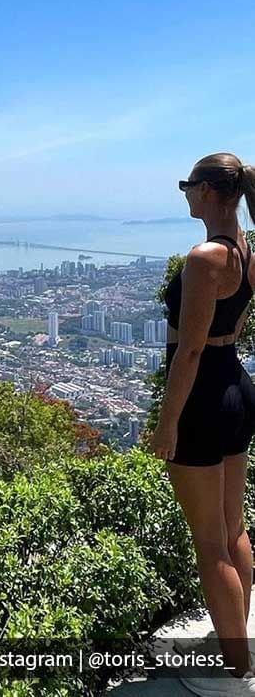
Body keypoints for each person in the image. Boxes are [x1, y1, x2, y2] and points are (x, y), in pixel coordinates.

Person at [151, 153, 255, 694]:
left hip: (202, 398)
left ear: (210, 192)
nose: (185, 194)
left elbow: (188, 352)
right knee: (233, 527)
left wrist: (167, 425)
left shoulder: (204, 258)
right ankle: (238, 642)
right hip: (237, 387)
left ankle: (235, 670)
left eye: (188, 185)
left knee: (209, 543)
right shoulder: (246, 252)